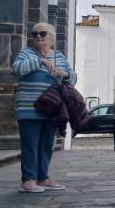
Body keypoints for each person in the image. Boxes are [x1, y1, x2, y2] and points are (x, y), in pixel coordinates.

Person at [12, 22, 75, 193]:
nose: (38, 36)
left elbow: (73, 77)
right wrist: (42, 61)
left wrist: (66, 74)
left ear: (52, 37)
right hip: (29, 108)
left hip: (52, 108)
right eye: (35, 34)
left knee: (47, 145)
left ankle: (43, 177)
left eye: (43, 33)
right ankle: (28, 180)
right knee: (30, 145)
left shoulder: (60, 56)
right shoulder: (26, 53)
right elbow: (18, 69)